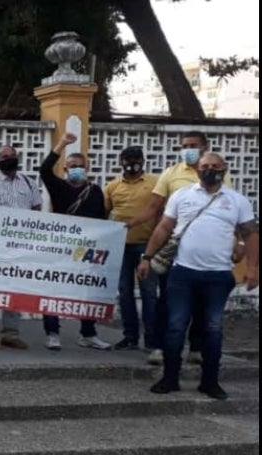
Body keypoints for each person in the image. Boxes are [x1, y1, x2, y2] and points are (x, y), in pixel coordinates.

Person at [140, 153, 258, 400]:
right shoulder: (181, 195)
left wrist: (253, 268)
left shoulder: (237, 200)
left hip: (218, 276)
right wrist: (147, 257)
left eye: (215, 166)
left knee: (213, 328)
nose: (210, 170)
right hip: (182, 273)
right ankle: (170, 378)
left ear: (224, 169)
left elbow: (250, 234)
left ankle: (210, 381)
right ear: (197, 170)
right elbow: (164, 227)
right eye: (205, 166)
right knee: (175, 326)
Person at [128, 131, 227, 366]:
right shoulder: (171, 174)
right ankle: (160, 348)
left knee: (202, 302)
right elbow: (154, 209)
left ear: (204, 147)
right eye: (185, 145)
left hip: (208, 252)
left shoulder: (220, 176)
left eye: (193, 145)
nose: (188, 149)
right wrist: (129, 224)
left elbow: (228, 211)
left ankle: (196, 348)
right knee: (167, 300)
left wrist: (237, 244)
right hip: (174, 250)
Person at [38, 133, 112, 351]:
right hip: (61, 248)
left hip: (87, 251)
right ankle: (52, 333)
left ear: (87, 168)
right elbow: (44, 170)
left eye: (80, 166)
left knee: (89, 292)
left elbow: (101, 219)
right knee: (53, 290)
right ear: (65, 169)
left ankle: (88, 333)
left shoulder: (95, 191)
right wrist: (61, 144)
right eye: (72, 166)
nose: (77, 169)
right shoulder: (58, 187)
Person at [0, 145, 42, 350]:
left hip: (20, 247)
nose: (9, 159)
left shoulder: (29, 183)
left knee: (15, 289)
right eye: (4, 156)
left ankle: (10, 334)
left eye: (12, 156)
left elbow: (36, 210)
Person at [104, 145, 159, 352]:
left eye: (136, 159)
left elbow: (161, 212)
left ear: (143, 161)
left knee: (148, 293)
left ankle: (152, 339)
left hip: (147, 246)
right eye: (127, 160)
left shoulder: (155, 183)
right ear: (121, 162)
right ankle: (130, 337)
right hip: (121, 247)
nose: (132, 164)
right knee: (125, 291)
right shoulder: (112, 186)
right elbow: (103, 213)